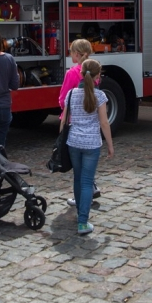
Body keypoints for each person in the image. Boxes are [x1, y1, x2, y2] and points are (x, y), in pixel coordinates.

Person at [66, 59, 114, 235]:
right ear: (97, 76)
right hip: (92, 143)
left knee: (78, 179)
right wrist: (110, 145)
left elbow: (64, 120)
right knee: (87, 182)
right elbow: (104, 122)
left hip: (73, 142)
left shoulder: (71, 94)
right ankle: (83, 222)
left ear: (81, 73)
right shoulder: (99, 96)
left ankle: (81, 212)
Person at [59, 39, 101, 206]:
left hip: (73, 123)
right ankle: (91, 186)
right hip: (91, 124)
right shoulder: (94, 70)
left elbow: (63, 99)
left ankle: (82, 198)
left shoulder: (72, 73)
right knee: (88, 162)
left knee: (77, 167)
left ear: (76, 54)